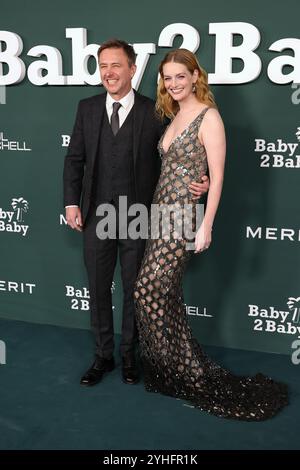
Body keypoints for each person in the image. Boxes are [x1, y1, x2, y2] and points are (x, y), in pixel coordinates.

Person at [134, 48, 288, 420]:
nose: (173, 84)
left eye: (180, 77)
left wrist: (206, 223)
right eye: (167, 79)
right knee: (164, 293)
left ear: (195, 77)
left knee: (146, 290)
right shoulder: (172, 113)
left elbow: (217, 176)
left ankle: (183, 372)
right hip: (161, 213)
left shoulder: (209, 117)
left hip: (184, 216)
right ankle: (175, 369)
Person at [63, 40, 208, 387]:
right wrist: (71, 203)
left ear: (132, 69)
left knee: (134, 290)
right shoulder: (87, 108)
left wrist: (200, 181)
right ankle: (103, 356)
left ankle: (131, 356)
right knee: (98, 289)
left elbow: (179, 154)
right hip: (97, 214)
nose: (109, 73)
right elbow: (75, 159)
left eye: (116, 65)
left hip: (139, 215)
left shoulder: (154, 110)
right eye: (103, 67)